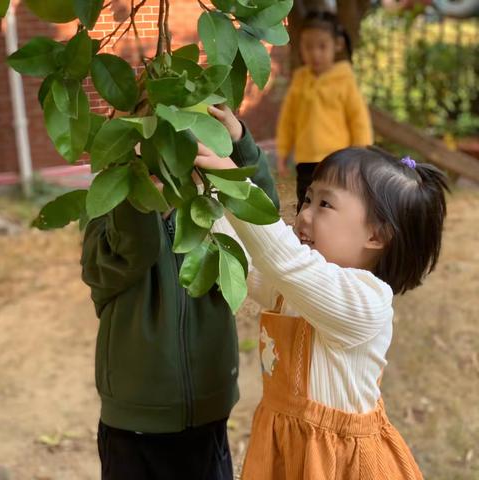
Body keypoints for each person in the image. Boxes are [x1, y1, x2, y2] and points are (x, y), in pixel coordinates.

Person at [194, 144, 449, 479]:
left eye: (325, 204)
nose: (304, 215)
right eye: (308, 199)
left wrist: (233, 183)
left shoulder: (365, 301)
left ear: (376, 234)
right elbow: (247, 261)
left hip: (339, 464)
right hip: (284, 449)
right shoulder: (298, 287)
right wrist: (200, 188)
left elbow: (284, 261)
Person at [80, 105, 279, 480]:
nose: (165, 161)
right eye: (148, 148)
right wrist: (136, 191)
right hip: (134, 424)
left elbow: (262, 216)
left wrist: (237, 142)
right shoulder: (107, 214)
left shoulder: (213, 216)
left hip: (208, 411)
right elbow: (129, 253)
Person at [276, 10, 373, 211]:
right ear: (299, 46)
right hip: (305, 160)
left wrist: (360, 156)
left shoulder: (344, 79)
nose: (315, 53)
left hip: (337, 160)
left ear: (336, 45)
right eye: (308, 47)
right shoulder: (300, 78)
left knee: (333, 203)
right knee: (305, 201)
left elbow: (359, 120)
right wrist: (283, 152)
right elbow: (288, 119)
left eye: (322, 46)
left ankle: (332, 239)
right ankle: (305, 241)